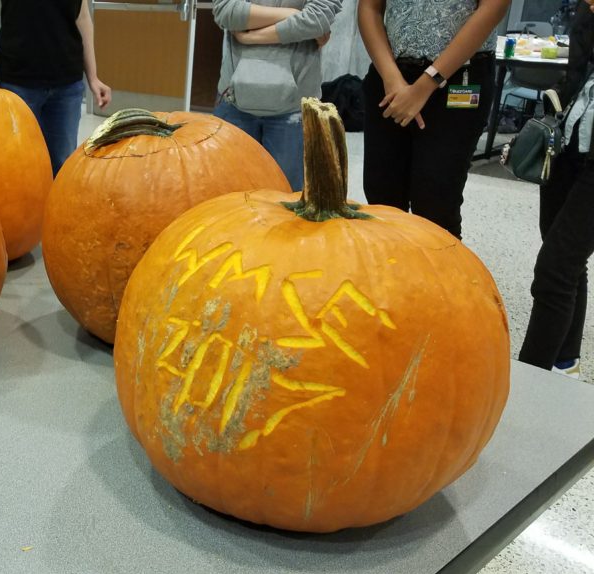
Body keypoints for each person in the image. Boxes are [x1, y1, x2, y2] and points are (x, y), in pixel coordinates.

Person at [358, 0, 509, 239]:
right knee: (382, 197)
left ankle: (439, 263)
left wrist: (427, 83)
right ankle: (390, 263)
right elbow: (369, 8)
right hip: (390, 74)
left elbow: (494, 7)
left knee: (435, 203)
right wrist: (391, 78)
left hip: (460, 74)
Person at [519, 0, 594, 378]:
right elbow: (575, 65)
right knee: (564, 257)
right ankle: (565, 365)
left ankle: (529, 381)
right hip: (570, 137)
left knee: (554, 269)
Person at [211, 0, 342, 192]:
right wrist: (292, 14)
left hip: (295, 107)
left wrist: (251, 37)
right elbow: (225, 11)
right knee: (226, 194)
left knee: (284, 199)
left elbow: (318, 18)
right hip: (234, 100)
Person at [0, 0, 112, 176]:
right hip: (16, 83)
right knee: (18, 167)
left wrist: (93, 77)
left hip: (67, 83)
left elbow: (82, 16)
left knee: (62, 166)